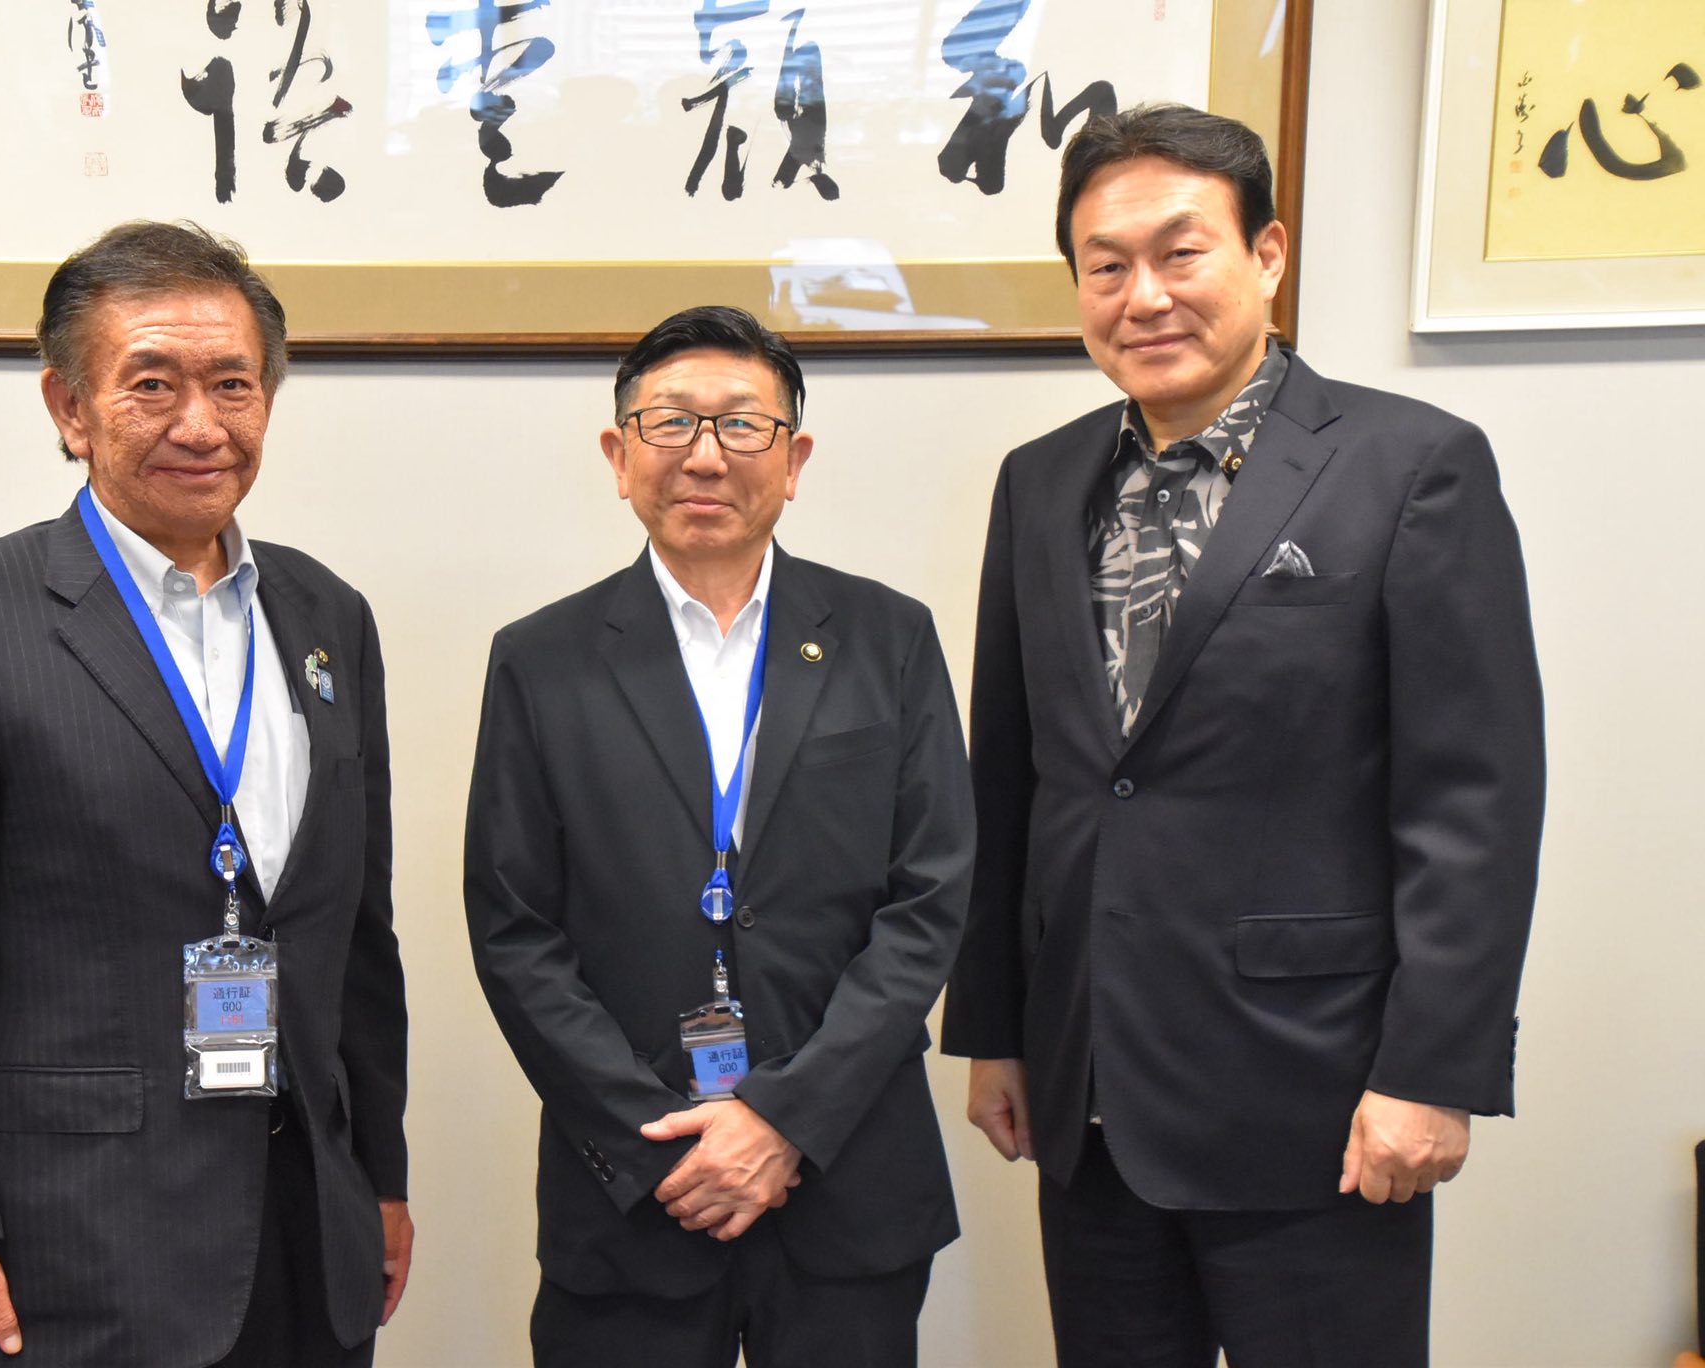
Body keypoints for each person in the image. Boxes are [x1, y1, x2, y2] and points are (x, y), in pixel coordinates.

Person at [941, 104, 1545, 1367]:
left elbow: (1470, 803)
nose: (1142, 297)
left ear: (1265, 254)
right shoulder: (1038, 481)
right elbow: (1011, 776)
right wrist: (994, 1025)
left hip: (1316, 1096)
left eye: (1180, 253)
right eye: (1105, 267)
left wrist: (1431, 1070)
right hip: (1089, 1086)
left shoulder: (1410, 466)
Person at [0, 221, 411, 1368]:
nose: (200, 424)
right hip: (81, 1246)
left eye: (233, 385)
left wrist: (380, 1178)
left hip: (313, 1227)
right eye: (152, 384)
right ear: (69, 407)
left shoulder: (327, 616)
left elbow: (358, 933)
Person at [464, 305, 974, 1367]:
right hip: (635, 1192)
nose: (704, 455)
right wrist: (655, 1143)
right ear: (619, 457)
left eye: (742, 424)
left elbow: (929, 901)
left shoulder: (888, 637)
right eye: (669, 423)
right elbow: (514, 929)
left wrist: (786, 1120)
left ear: (794, 460)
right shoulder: (541, 660)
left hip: (847, 1180)